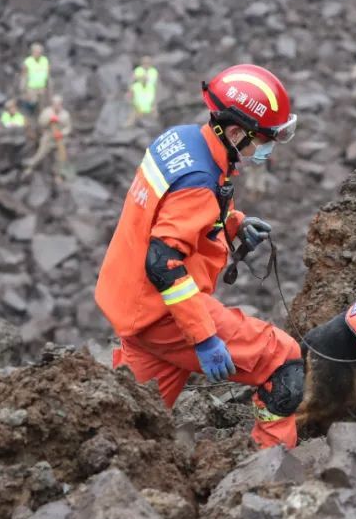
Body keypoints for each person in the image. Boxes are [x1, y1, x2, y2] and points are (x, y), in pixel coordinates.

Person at [94, 64, 304, 450]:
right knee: (283, 360)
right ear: (237, 132)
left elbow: (170, 210)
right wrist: (204, 338)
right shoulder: (200, 183)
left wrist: (232, 223)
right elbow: (163, 263)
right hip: (163, 315)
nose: (263, 149)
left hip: (133, 311)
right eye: (261, 140)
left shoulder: (182, 140)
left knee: (128, 429)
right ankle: (274, 471)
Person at [24, 95, 72, 181]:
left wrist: (62, 133)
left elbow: (68, 128)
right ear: (52, 104)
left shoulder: (65, 114)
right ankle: (30, 168)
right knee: (40, 154)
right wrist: (49, 120)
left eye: (59, 104)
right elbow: (40, 123)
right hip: (49, 136)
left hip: (60, 139)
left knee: (59, 158)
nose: (57, 106)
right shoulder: (47, 112)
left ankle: (58, 175)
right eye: (55, 104)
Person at [19, 42, 50, 126]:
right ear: (32, 52)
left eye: (39, 52)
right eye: (36, 52)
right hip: (31, 88)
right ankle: (30, 123)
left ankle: (41, 124)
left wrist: (47, 88)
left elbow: (47, 75)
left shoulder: (45, 61)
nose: (38, 54)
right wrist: (23, 89)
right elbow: (24, 76)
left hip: (41, 88)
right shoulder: (28, 62)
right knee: (31, 105)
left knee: (42, 107)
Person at [125, 64, 158, 128]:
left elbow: (153, 100)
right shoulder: (135, 86)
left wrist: (154, 109)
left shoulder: (151, 87)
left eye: (145, 79)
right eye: (142, 79)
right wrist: (133, 105)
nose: (144, 80)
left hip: (148, 109)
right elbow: (128, 96)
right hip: (138, 109)